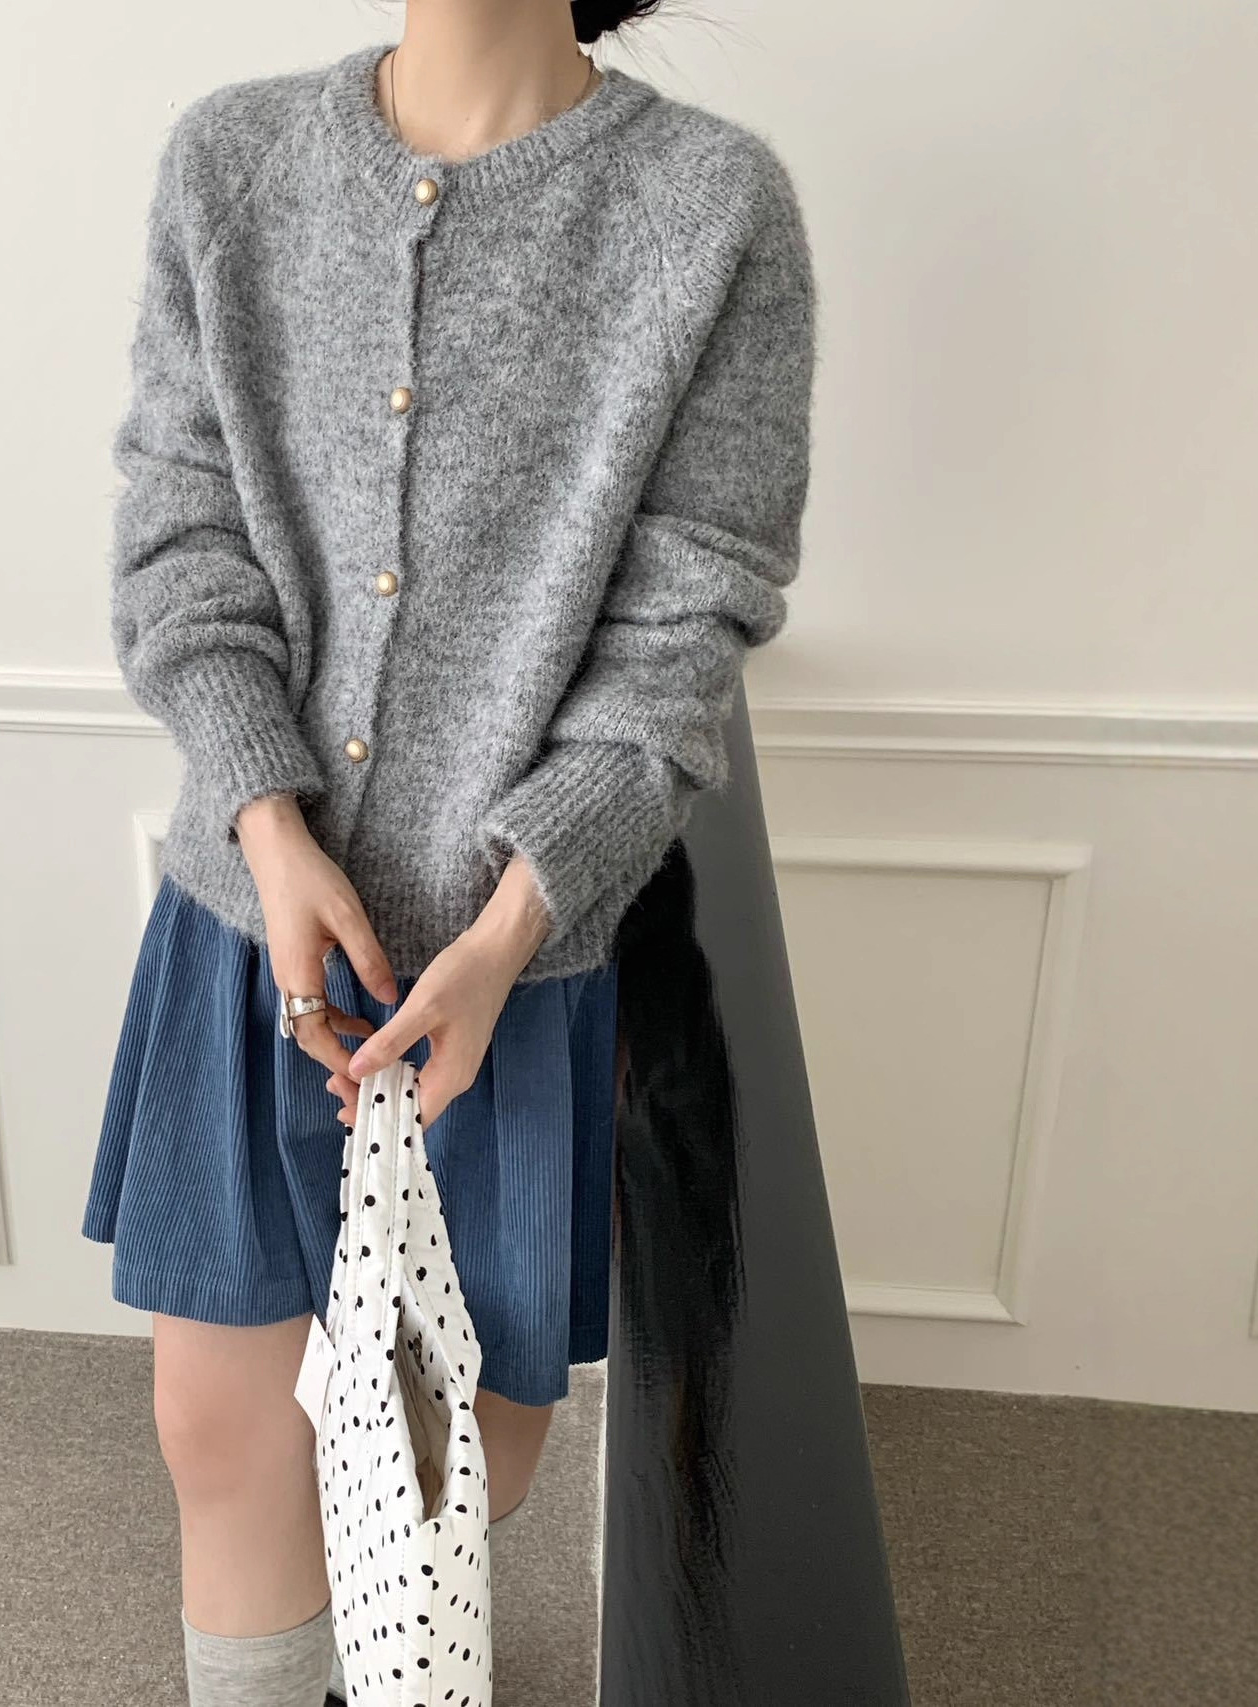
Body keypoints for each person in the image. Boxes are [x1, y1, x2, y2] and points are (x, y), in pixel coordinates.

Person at [80, 1, 817, 1700]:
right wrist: (268, 821)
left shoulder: (712, 208)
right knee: (217, 1427)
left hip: (522, 970)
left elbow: (689, 620)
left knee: (446, 1455)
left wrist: (510, 923)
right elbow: (179, 530)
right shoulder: (234, 160)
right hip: (247, 930)